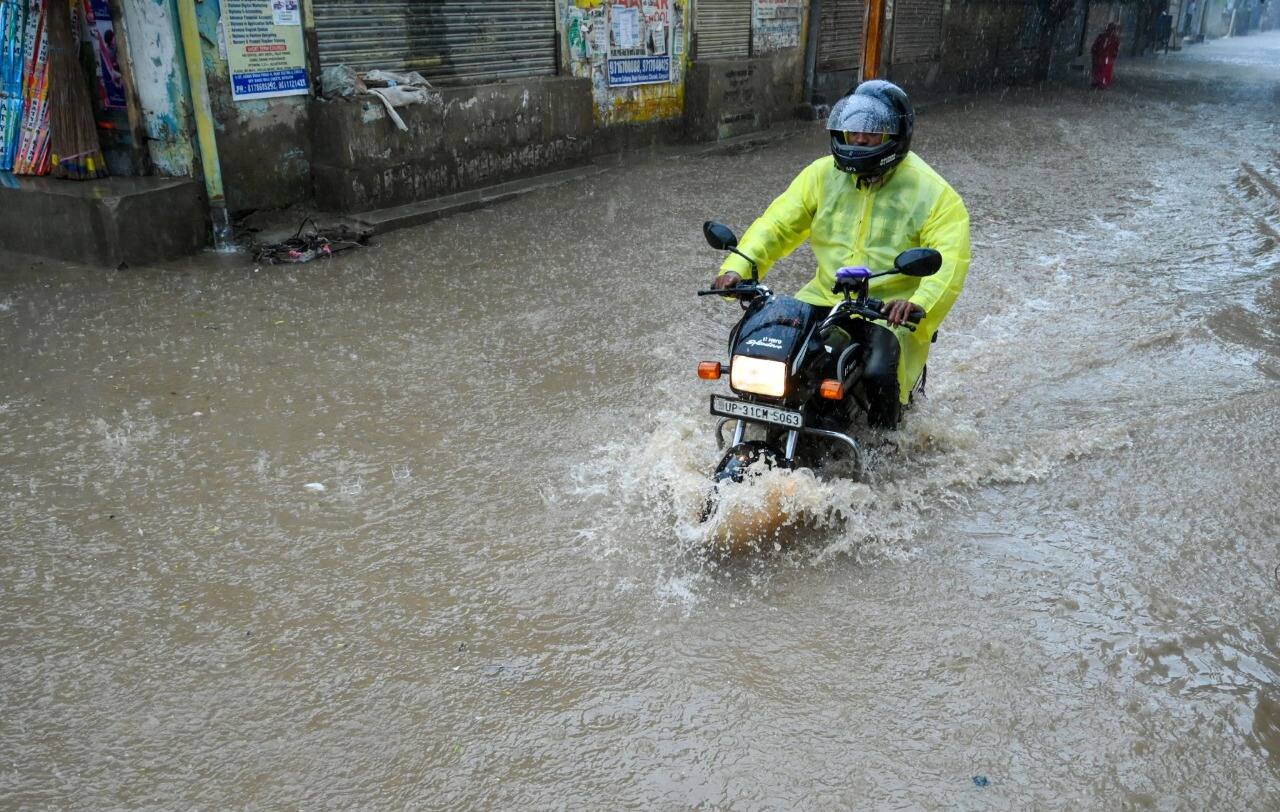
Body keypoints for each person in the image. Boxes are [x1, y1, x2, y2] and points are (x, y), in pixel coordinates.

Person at [711, 80, 970, 429]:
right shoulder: (820, 175)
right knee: (755, 339)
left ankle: (886, 447)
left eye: (872, 132)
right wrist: (738, 269)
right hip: (824, 298)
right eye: (853, 130)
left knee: (880, 371)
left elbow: (949, 260)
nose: (860, 139)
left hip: (888, 312)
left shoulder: (934, 193)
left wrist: (918, 301)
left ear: (897, 135)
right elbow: (776, 226)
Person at [1091, 23, 1121, 89]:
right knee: (1099, 69)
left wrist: (1113, 55)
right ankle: (1099, 82)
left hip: (1106, 56)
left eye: (1112, 30)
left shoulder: (1114, 39)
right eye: (1110, 29)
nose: (1111, 31)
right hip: (1101, 55)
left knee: (1104, 69)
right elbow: (1096, 45)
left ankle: (1102, 82)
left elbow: (1116, 48)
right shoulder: (1103, 37)